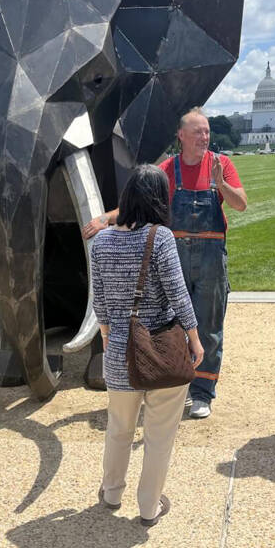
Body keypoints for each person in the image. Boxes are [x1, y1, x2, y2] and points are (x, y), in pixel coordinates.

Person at [84, 108, 246, 419]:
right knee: (171, 323)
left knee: (210, 326)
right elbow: (137, 201)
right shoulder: (168, 169)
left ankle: (203, 393)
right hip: (174, 255)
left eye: (207, 131)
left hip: (211, 259)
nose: (204, 137)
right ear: (181, 136)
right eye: (198, 132)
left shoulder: (221, 165)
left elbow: (241, 204)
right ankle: (178, 382)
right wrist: (105, 218)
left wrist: (221, 184)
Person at [90, 164, 204, 526]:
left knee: (118, 428)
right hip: (160, 349)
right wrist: (194, 338)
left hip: (119, 351)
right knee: (159, 436)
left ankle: (111, 492)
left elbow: (100, 302)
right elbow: (177, 292)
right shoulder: (160, 237)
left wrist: (108, 337)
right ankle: (148, 505)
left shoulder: (100, 242)